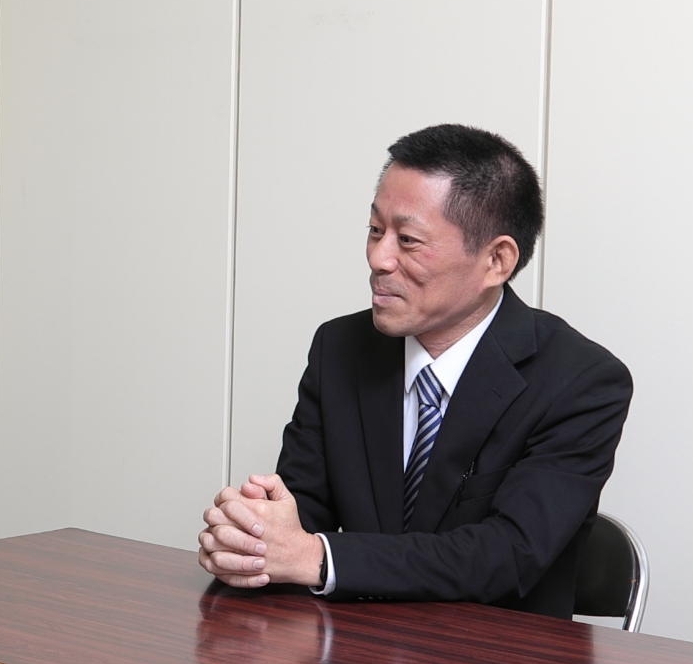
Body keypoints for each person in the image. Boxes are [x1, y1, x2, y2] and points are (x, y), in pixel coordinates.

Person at [197, 124, 633, 611]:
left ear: (496, 260)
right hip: (353, 646)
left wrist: (319, 557)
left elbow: (507, 554)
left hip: (496, 652)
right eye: (374, 230)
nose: (378, 258)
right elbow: (300, 518)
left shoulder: (581, 381)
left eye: (408, 240)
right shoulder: (338, 349)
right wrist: (250, 537)